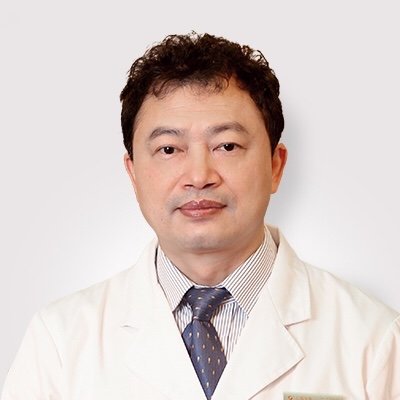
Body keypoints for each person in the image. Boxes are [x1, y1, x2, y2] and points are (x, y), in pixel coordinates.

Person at [2, 32, 399, 400]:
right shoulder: (59, 342)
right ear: (133, 174)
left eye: (227, 146)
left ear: (275, 166)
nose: (198, 176)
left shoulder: (373, 340)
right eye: (169, 149)